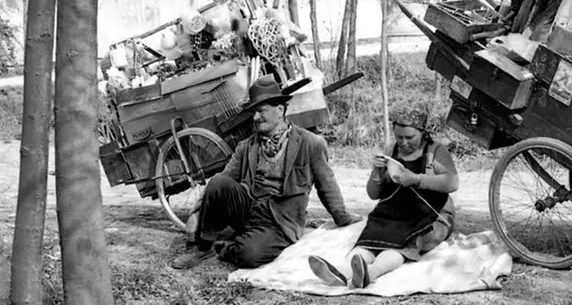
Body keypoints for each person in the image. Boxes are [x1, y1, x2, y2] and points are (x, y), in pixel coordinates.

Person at [171, 74, 360, 269]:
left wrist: (342, 217)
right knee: (219, 183)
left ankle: (227, 247)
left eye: (261, 111)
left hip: (278, 221)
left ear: (280, 110)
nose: (255, 118)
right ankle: (203, 247)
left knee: (249, 255)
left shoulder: (310, 143)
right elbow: (222, 181)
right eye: (253, 112)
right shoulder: (247, 146)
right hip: (247, 208)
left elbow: (327, 185)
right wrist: (196, 213)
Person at [308, 102, 459, 288]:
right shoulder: (391, 150)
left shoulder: (435, 151)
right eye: (399, 137)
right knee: (371, 237)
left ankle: (370, 273)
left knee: (404, 243)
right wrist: (377, 172)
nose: (403, 142)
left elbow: (452, 182)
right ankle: (342, 272)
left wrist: (417, 179)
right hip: (394, 212)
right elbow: (374, 194)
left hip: (431, 216)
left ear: (423, 132)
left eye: (410, 137)